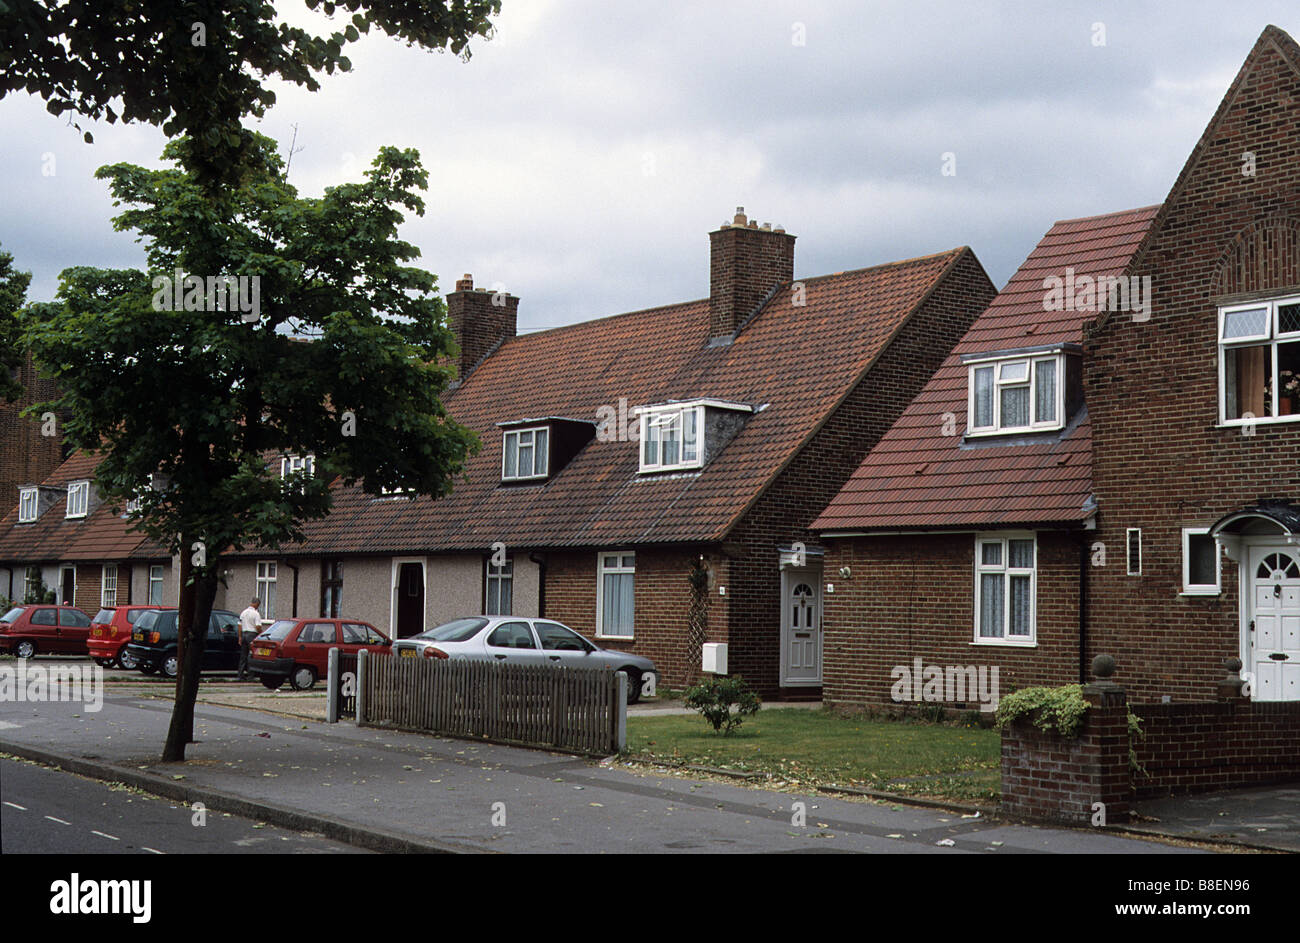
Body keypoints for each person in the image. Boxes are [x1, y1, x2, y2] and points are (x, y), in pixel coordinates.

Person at [237, 598, 261, 681]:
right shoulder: (256, 614)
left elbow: (239, 626)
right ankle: (250, 676)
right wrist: (261, 634)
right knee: (251, 655)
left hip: (244, 634)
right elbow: (258, 626)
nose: (258, 607)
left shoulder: (243, 613)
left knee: (243, 656)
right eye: (258, 605)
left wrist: (240, 637)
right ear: (256, 604)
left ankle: (240, 675)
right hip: (252, 635)